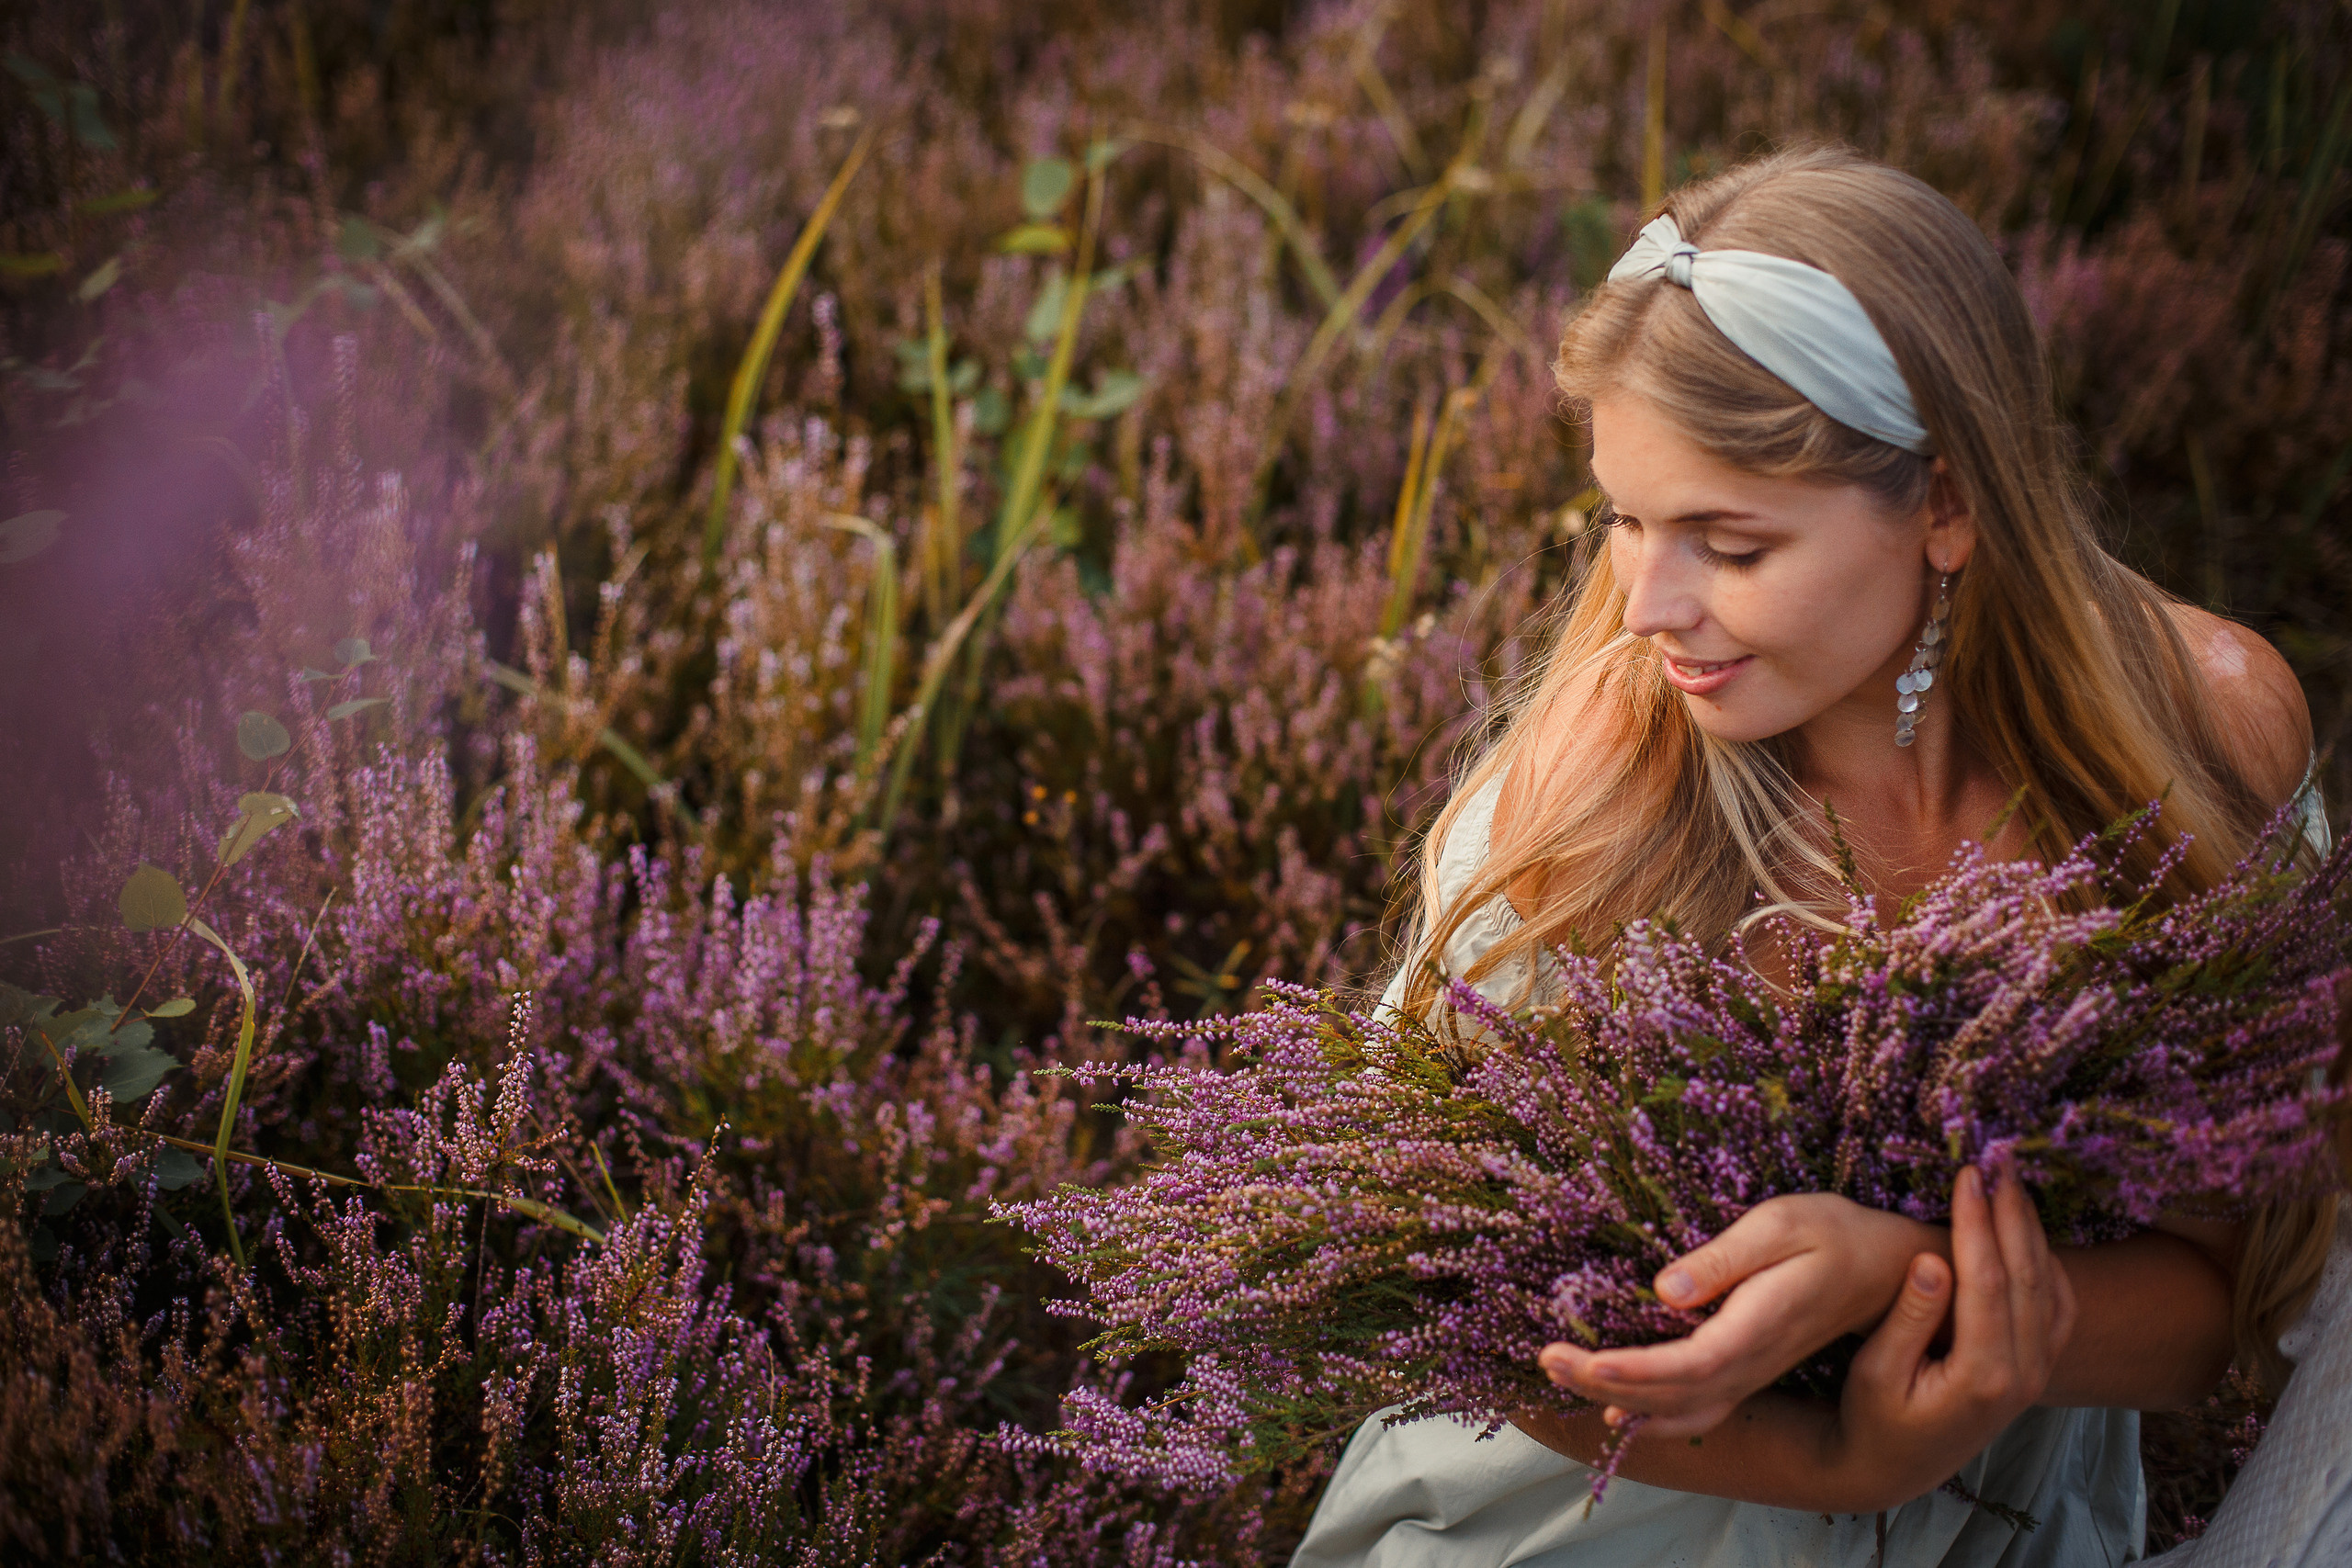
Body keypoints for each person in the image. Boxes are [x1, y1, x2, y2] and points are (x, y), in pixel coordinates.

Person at [1291, 143, 2335, 1567]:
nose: (1647, 606)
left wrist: (1912, 1283)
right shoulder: (1599, 800)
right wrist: (1840, 1459)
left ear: (1948, 506)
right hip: (1585, 1518)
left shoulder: (2199, 735)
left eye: (1729, 545)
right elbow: (1450, 1306)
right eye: (1622, 520)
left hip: (2002, 1522)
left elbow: (2211, 1307)